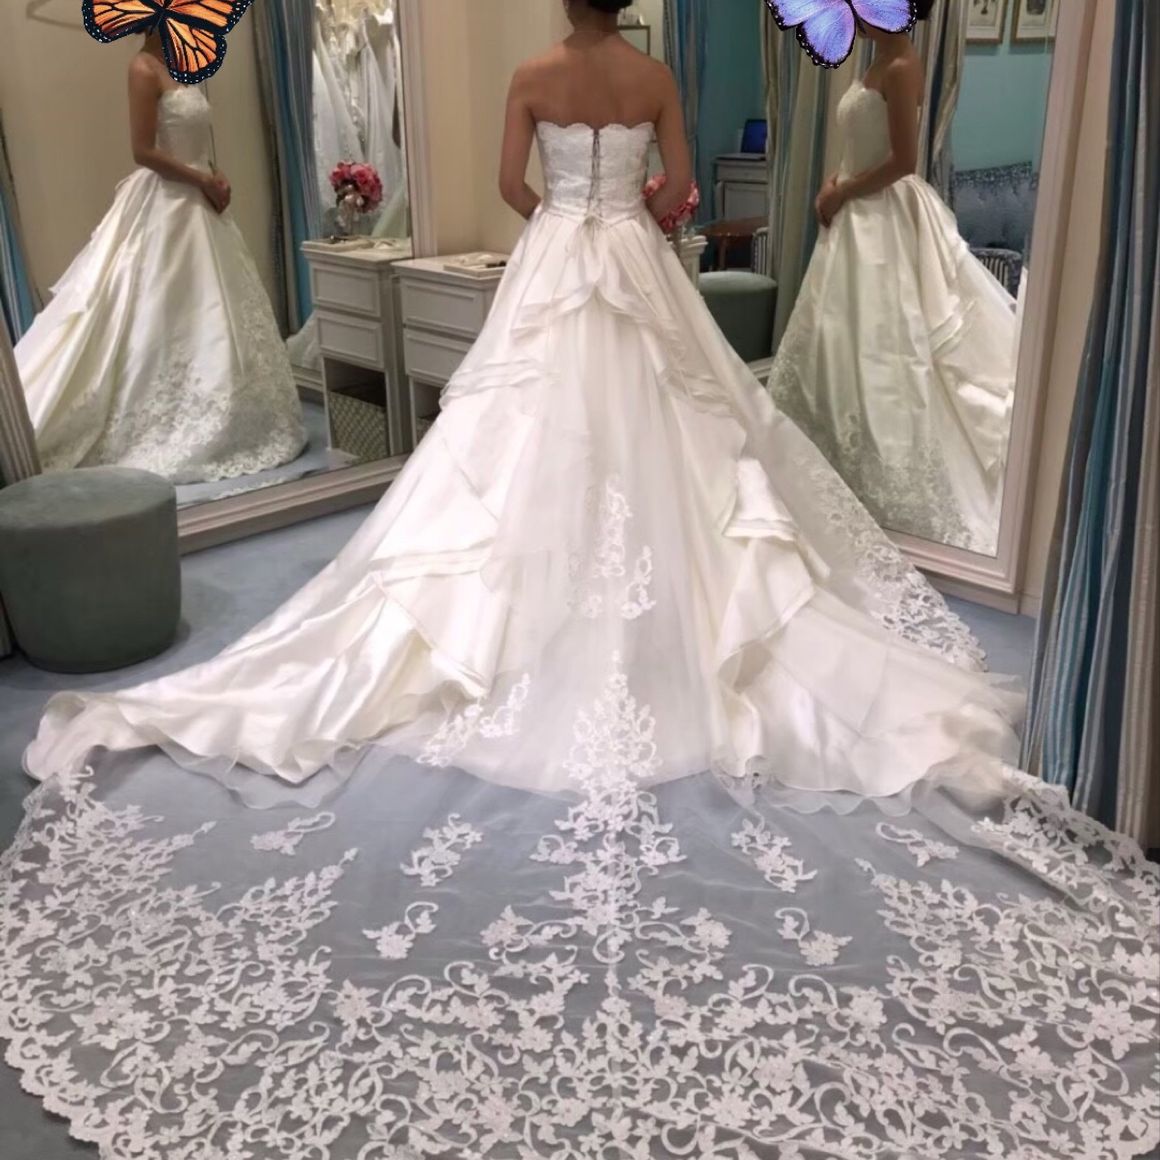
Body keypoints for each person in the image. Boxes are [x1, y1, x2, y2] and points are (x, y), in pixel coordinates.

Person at [1, 4, 1155, 1156]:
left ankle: (524, 614)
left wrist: (563, 213)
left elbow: (509, 184)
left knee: (516, 455)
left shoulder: (530, 73)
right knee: (683, 442)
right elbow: (680, 189)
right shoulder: (652, 78)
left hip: (555, 257)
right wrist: (632, 208)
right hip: (632, 263)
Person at [768, 0, 1017, 555]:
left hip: (883, 217)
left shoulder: (903, 66)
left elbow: (904, 161)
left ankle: (882, 479)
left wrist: (844, 192)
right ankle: (825, 468)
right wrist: (834, 181)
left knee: (885, 343)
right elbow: (862, 147)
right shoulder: (875, 63)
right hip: (855, 214)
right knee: (838, 340)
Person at [15, 32, 306, 484]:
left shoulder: (185, 65)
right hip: (170, 205)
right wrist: (200, 180)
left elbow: (193, 140)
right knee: (158, 308)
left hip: (202, 204)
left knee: (217, 310)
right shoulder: (142, 68)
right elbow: (143, 151)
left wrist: (215, 173)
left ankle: (233, 415)